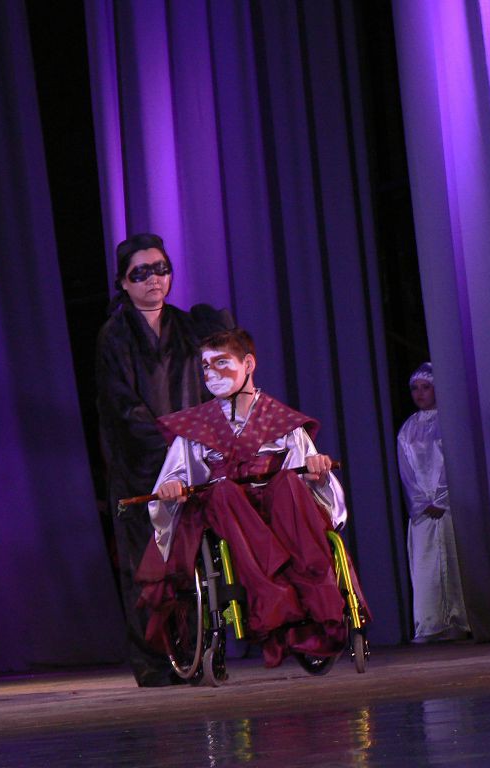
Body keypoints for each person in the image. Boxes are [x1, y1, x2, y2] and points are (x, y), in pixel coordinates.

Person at [137, 328, 369, 667]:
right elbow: (174, 476)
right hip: (227, 512)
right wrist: (172, 486)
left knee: (289, 482)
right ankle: (273, 595)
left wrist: (317, 472)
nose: (211, 374)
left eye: (221, 363)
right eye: (205, 366)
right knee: (223, 491)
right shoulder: (196, 427)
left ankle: (316, 595)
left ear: (248, 364)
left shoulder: (281, 421)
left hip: (277, 510)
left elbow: (311, 480)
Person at [95, 232, 232, 687]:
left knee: (192, 561)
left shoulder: (188, 327)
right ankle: (154, 661)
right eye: (141, 273)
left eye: (161, 269)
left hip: (188, 461)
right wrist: (167, 445)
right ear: (123, 282)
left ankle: (197, 651)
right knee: (145, 565)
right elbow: (122, 406)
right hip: (140, 466)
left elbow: (215, 380)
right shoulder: (115, 336)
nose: (154, 279)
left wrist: (196, 445)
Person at [396, 362, 470, 642]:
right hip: (423, 512)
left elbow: (454, 464)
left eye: (425, 387)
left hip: (448, 508)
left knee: (455, 560)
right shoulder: (407, 430)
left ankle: (460, 620)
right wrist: (422, 502)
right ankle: (431, 624)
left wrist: (441, 499)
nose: (419, 393)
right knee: (426, 566)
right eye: (415, 388)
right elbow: (406, 472)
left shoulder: (449, 423)